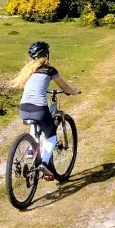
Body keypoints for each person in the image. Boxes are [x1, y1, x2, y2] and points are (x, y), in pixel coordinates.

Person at [10, 41, 81, 179]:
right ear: (46, 55)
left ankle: (31, 151)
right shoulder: (50, 70)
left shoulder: (28, 72)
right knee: (52, 136)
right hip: (39, 108)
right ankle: (45, 164)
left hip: (24, 108)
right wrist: (74, 91)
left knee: (34, 123)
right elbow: (65, 87)